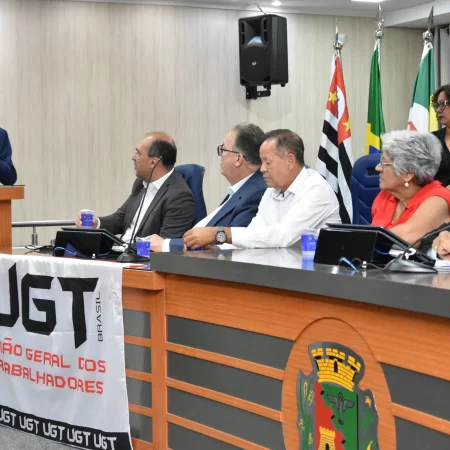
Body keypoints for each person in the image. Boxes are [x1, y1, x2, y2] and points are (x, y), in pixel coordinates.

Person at [183, 129, 341, 250]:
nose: (262, 169)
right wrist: (217, 250)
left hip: (314, 276)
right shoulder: (272, 190)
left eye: (267, 162)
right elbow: (254, 235)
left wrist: (220, 233)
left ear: (290, 161)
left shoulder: (316, 190)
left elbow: (283, 236)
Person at [150, 123, 267, 252]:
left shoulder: (257, 193)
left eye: (224, 150)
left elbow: (234, 247)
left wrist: (166, 245)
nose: (221, 155)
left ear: (238, 159)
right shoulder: (242, 189)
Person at [75, 132, 195, 241]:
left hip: (141, 256)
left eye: (138, 153)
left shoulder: (179, 197)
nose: (133, 157)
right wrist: (96, 223)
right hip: (120, 251)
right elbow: (121, 219)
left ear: (153, 162)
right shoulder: (140, 184)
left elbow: (164, 245)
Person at [371, 130, 450, 244]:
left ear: (408, 174)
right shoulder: (386, 195)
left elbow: (407, 237)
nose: (377, 168)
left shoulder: (439, 199)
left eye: (385, 163)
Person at [432, 84, 450, 187]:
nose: (438, 110)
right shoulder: (431, 139)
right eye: (437, 105)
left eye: (443, 104)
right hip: (437, 195)